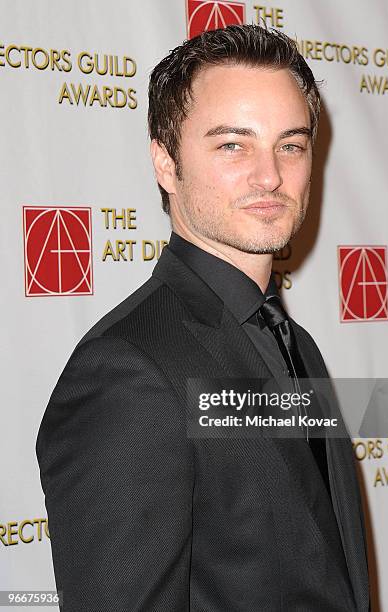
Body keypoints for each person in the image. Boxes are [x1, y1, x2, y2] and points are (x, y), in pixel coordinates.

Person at [36, 24, 369, 611]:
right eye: (233, 145)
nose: (270, 175)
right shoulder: (128, 371)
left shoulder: (296, 342)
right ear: (166, 163)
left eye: (290, 144)